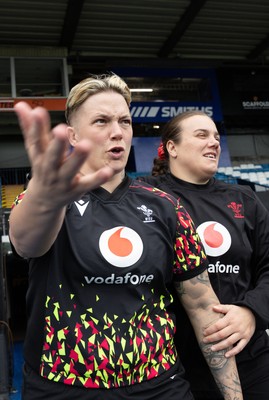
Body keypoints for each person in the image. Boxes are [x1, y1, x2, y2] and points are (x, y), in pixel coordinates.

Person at [8, 75, 243, 400]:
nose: (117, 131)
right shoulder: (47, 198)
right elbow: (27, 242)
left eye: (124, 121)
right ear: (73, 135)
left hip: (161, 386)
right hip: (62, 387)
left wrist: (234, 397)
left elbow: (204, 307)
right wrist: (46, 201)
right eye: (101, 121)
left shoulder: (166, 206)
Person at [139, 110, 269, 400]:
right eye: (201, 135)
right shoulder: (146, 196)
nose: (214, 143)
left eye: (216, 137)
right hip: (175, 366)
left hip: (251, 359)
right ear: (171, 148)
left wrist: (251, 312)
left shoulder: (244, 200)